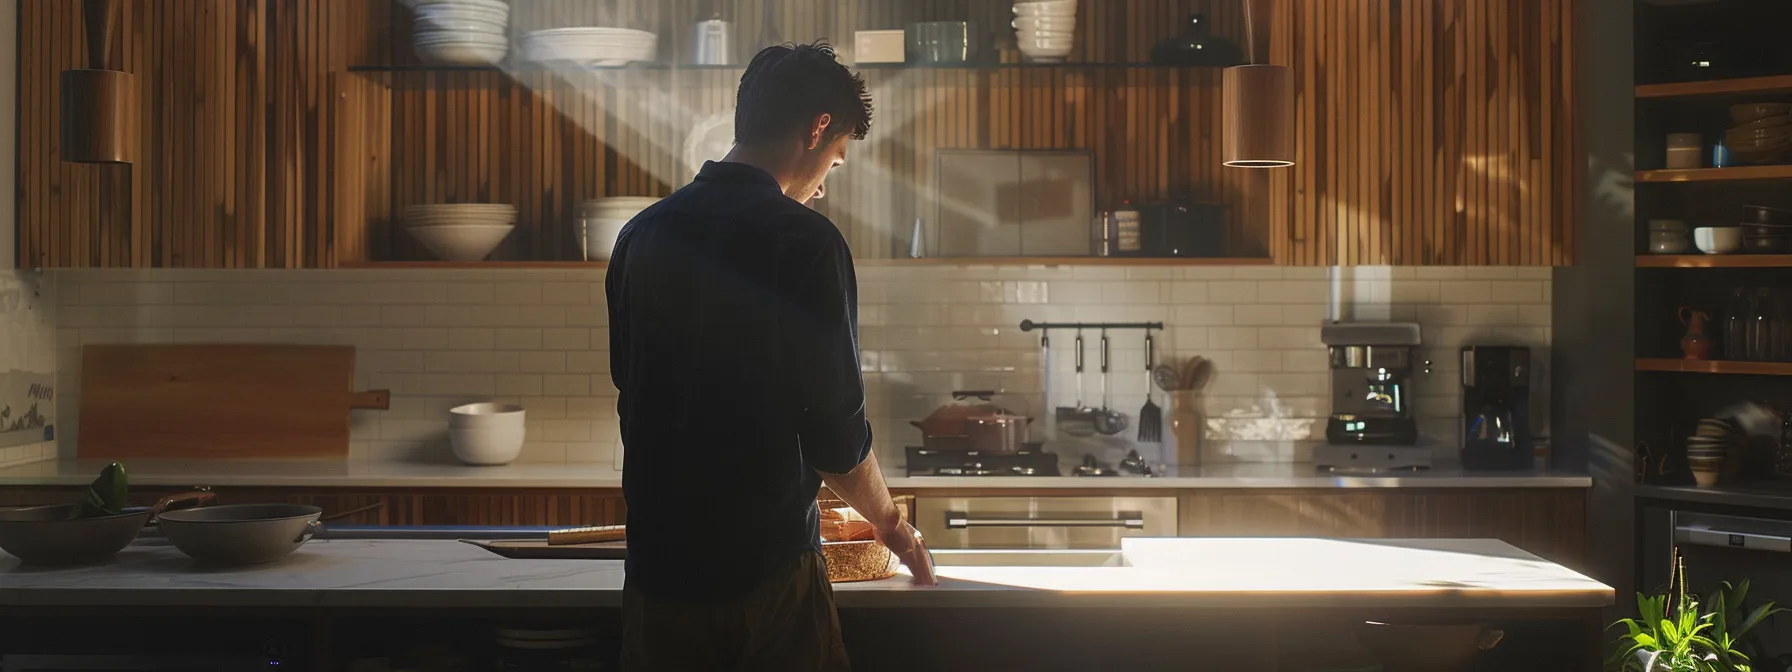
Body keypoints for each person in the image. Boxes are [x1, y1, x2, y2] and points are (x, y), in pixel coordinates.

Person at [605, 42, 937, 671]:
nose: (822, 188)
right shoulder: (805, 242)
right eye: (835, 163)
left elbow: (633, 392)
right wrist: (890, 522)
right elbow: (834, 432)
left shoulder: (638, 236)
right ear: (817, 129)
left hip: (657, 580)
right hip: (765, 577)